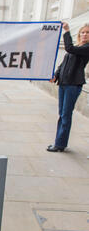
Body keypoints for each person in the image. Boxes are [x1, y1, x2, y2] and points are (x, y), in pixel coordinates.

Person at [47, 22, 89, 152]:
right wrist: (56, 75)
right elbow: (63, 63)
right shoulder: (77, 46)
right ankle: (59, 142)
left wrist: (66, 31)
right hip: (64, 83)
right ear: (79, 34)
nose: (85, 35)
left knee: (66, 114)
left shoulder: (86, 48)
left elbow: (69, 48)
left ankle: (60, 144)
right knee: (62, 113)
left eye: (88, 33)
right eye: (83, 32)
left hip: (73, 85)